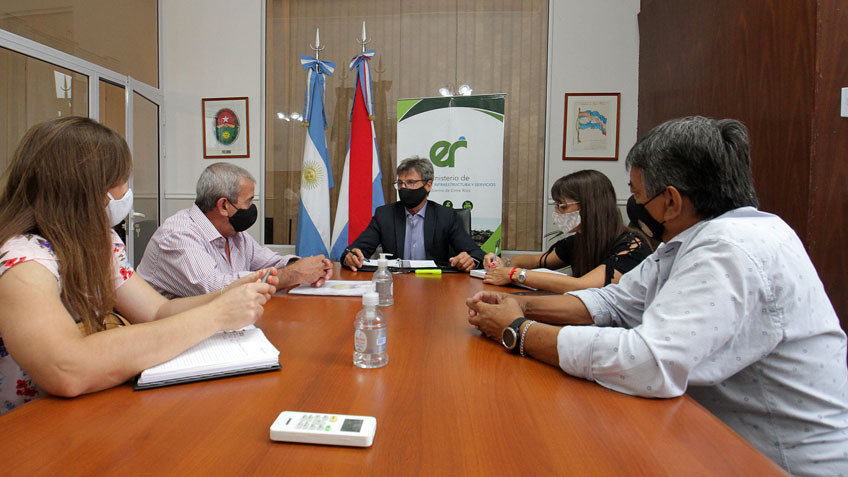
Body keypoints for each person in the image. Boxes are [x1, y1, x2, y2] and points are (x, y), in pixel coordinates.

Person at [465, 117, 848, 475]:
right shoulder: (688, 242)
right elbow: (613, 302)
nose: (635, 209)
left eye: (638, 196)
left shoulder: (731, 248)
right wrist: (519, 305)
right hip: (713, 440)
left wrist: (519, 330)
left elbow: (648, 362)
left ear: (672, 200)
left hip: (779, 462)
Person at [0, 117, 278, 415]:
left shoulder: (100, 242)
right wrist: (218, 314)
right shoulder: (22, 261)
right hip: (28, 428)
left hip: (86, 409)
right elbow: (68, 369)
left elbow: (157, 311)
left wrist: (225, 294)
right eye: (120, 181)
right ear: (85, 189)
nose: (125, 192)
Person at [137, 163, 332, 298]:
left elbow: (270, 261)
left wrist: (306, 266)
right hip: (169, 336)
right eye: (249, 201)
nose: (252, 208)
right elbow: (216, 290)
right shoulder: (178, 235)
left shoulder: (234, 234)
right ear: (223, 205)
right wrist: (292, 274)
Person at [482, 170, 651, 293]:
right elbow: (538, 260)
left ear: (589, 206)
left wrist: (513, 274)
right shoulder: (579, 240)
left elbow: (583, 285)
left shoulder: (632, 245)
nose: (557, 213)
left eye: (562, 206)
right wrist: (505, 263)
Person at [341, 156, 485, 272]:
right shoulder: (384, 215)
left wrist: (470, 260)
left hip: (436, 286)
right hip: (396, 284)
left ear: (428, 185)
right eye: (400, 183)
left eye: (410, 182)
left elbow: (477, 254)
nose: (403, 188)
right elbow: (354, 250)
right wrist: (350, 256)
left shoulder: (446, 216)